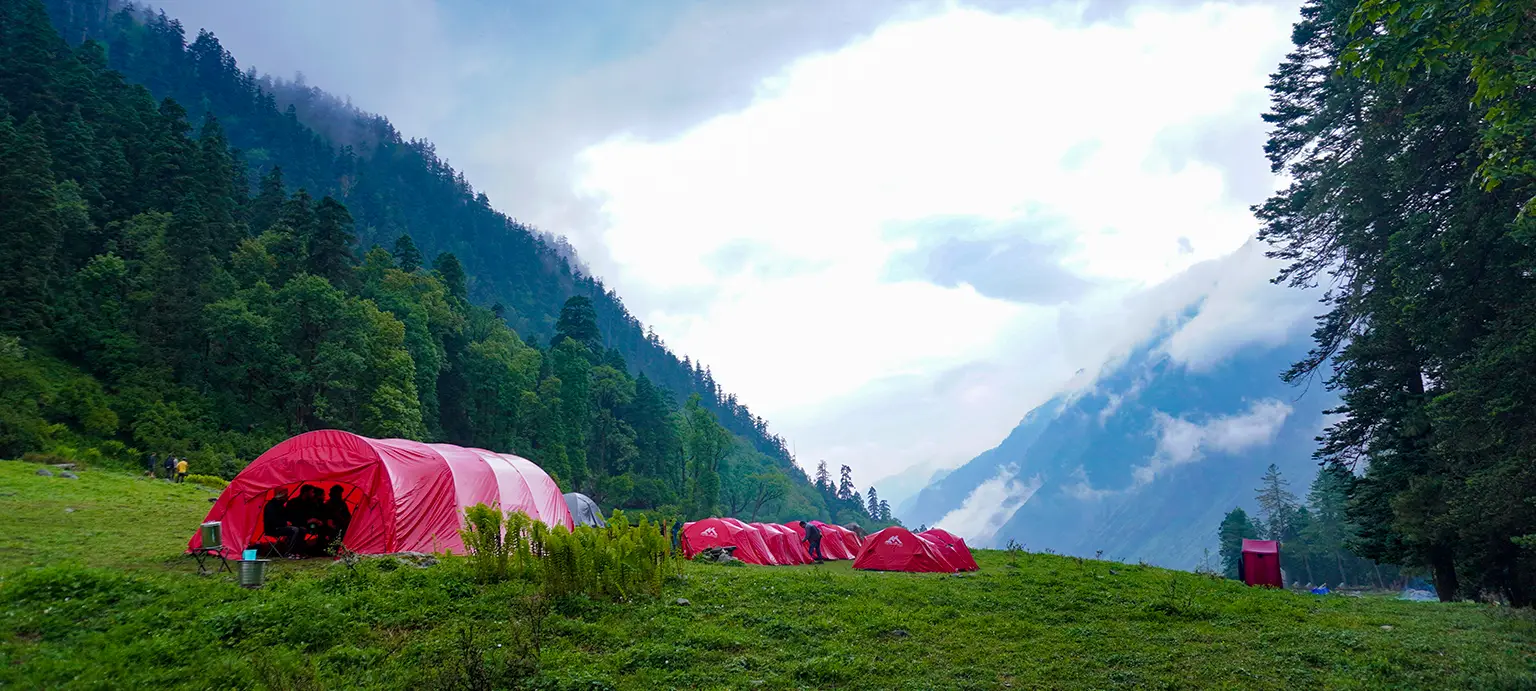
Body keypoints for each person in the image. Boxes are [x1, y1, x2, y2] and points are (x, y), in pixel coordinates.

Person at [263, 488, 305, 556]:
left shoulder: (280, 506)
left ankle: (298, 552)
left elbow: (286, 516)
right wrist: (285, 523)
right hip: (273, 529)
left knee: (302, 529)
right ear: (281, 496)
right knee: (294, 530)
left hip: (281, 527)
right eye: (286, 496)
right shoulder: (270, 506)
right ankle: (289, 552)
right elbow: (273, 520)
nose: (287, 498)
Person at [319, 486, 351, 551]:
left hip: (342, 524)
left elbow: (348, 515)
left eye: (340, 493)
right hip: (332, 525)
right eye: (339, 493)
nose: (340, 495)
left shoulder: (342, 503)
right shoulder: (328, 504)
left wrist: (348, 522)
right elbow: (326, 517)